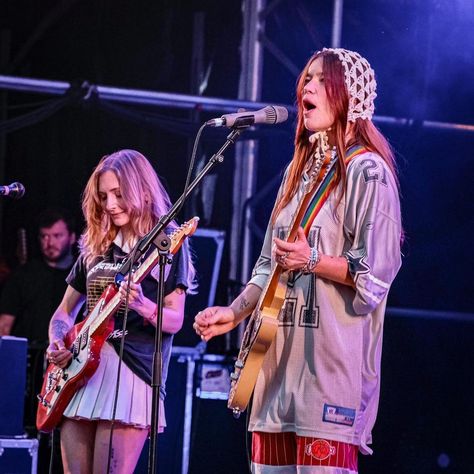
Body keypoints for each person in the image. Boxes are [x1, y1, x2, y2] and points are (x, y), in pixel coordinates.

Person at [194, 48, 402, 473]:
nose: (306, 87)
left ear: (349, 96)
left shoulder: (369, 172)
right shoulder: (298, 171)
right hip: (274, 368)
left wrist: (314, 260)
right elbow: (269, 262)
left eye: (320, 80)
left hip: (327, 373)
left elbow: (375, 277)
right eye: (305, 78)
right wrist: (234, 313)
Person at [45, 149, 195, 473]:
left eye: (118, 194)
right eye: (103, 196)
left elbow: (175, 320)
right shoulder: (95, 245)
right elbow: (63, 313)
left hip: (130, 375)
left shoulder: (167, 245)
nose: (110, 205)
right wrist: (57, 341)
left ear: (142, 189)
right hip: (81, 373)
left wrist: (142, 304)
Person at [0, 208, 77, 342]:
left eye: (57, 235)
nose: (50, 243)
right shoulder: (23, 276)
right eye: (44, 236)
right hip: (30, 355)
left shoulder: (81, 275)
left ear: (72, 238)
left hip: (70, 354)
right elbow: (4, 325)